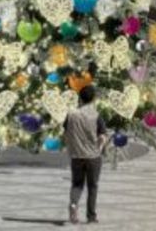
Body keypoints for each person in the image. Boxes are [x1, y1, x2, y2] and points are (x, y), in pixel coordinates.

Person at [64, 85, 107, 225]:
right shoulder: (96, 115)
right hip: (93, 156)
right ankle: (91, 216)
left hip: (76, 155)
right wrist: (100, 147)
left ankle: (73, 204)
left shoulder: (71, 115)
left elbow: (65, 132)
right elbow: (102, 136)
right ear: (93, 99)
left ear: (80, 98)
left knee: (77, 184)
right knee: (92, 186)